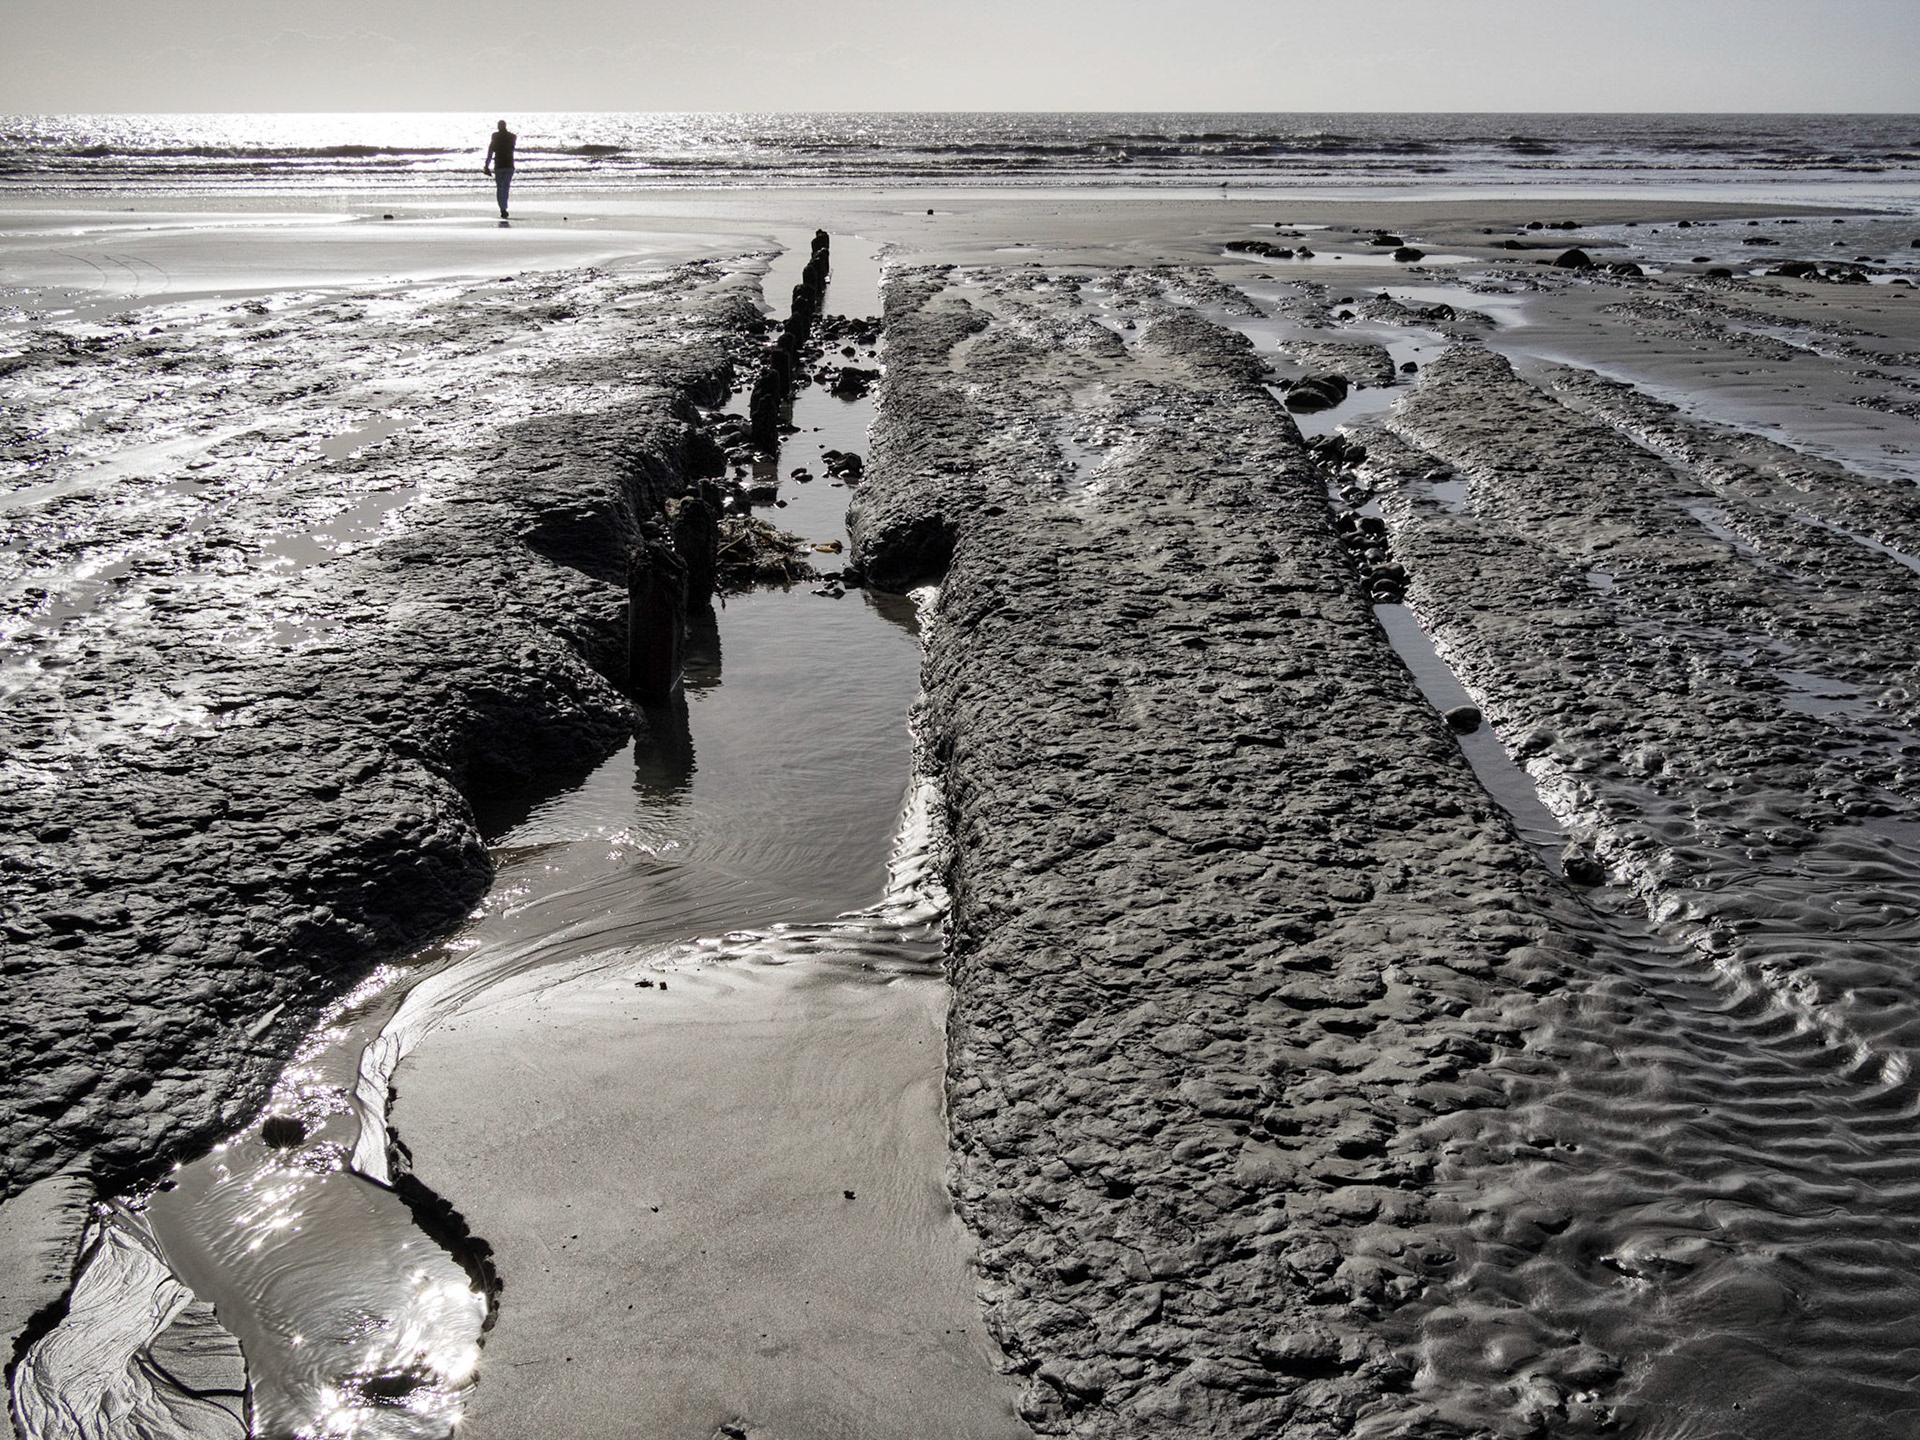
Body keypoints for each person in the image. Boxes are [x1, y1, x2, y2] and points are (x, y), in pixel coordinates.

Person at [482, 120, 516, 220]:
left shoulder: (495, 137)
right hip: (508, 165)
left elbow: (490, 151)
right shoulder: (512, 137)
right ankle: (503, 208)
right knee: (505, 187)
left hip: (500, 166)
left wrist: (486, 165)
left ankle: (503, 209)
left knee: (500, 188)